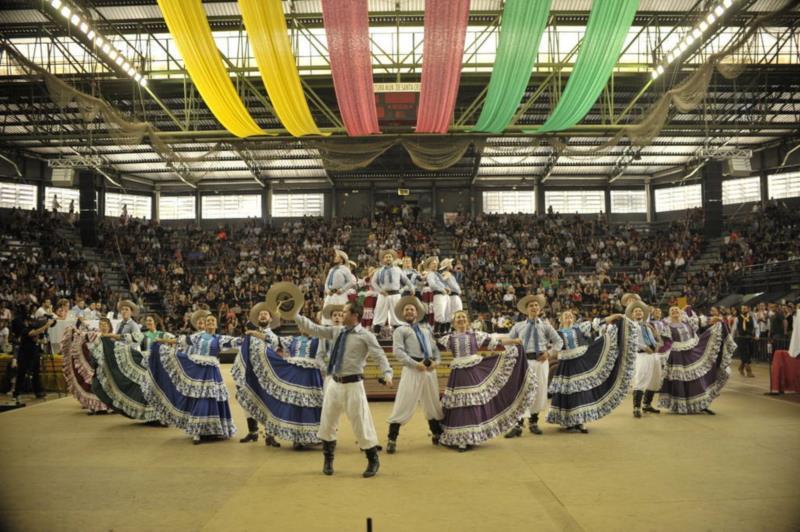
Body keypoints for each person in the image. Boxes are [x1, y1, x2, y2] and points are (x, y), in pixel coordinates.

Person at [295, 301, 394, 478]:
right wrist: (295, 314)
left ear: (355, 315)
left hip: (353, 384)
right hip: (334, 382)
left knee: (360, 422)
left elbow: (380, 356)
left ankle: (373, 459)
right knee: (327, 422)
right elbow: (314, 329)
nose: (341, 314)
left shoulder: (366, 335)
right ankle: (328, 459)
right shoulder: (336, 331)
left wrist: (387, 374)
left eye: (345, 311)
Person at [438, 310, 533, 451]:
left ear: (468, 321)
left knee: (473, 402)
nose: (461, 319)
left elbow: (496, 342)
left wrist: (514, 341)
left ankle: (472, 436)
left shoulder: (475, 335)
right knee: (460, 404)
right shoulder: (447, 339)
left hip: (473, 372)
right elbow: (433, 348)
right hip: (458, 374)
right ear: (453, 322)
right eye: (458, 317)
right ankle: (461, 439)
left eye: (464, 317)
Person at [234, 302, 323, 450]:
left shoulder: (319, 341)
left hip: (303, 376)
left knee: (305, 405)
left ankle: (312, 437)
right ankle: (293, 437)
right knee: (293, 405)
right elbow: (270, 342)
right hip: (287, 375)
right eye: (301, 326)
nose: (303, 328)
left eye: (266, 314)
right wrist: (253, 334)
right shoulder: (291, 340)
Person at [144, 311, 239, 444]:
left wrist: (253, 338)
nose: (210, 323)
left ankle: (215, 430)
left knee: (213, 398)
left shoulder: (220, 338)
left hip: (212, 372)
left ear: (216, 324)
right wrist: (161, 341)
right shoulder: (197, 337)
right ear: (205, 325)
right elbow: (179, 340)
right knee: (200, 398)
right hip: (198, 370)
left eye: (212, 321)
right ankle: (198, 431)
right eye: (208, 322)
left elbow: (237, 342)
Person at [547, 309, 636, 433]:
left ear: (573, 318)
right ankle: (569, 422)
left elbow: (599, 322)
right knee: (567, 392)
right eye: (565, 315)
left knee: (581, 391)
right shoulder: (556, 333)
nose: (568, 317)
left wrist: (614, 316)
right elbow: (552, 347)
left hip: (580, 362)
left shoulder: (580, 328)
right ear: (560, 319)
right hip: (565, 365)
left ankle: (580, 421)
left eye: (570, 315)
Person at [385, 296, 444, 454]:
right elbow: (398, 352)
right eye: (407, 310)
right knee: (404, 400)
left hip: (429, 369)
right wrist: (414, 363)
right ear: (403, 314)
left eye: (412, 309)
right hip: (413, 368)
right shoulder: (400, 330)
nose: (409, 311)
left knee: (432, 401)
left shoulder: (426, 330)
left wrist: (436, 362)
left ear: (417, 313)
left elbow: (436, 350)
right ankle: (392, 437)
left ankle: (437, 433)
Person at [658, 306, 736, 415]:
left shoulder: (688, 322)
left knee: (698, 379)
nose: (675, 311)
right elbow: (663, 340)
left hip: (691, 352)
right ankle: (681, 406)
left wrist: (716, 320)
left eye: (677, 309)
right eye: (672, 310)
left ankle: (702, 404)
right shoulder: (666, 326)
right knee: (681, 381)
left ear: (680, 312)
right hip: (677, 356)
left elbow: (705, 321)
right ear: (669, 314)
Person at [504, 294, 563, 437]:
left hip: (541, 361)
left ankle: (534, 422)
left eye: (536, 305)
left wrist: (549, 353)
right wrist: (515, 353)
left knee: (539, 391)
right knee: (522, 391)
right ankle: (517, 424)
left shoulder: (546, 326)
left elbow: (559, 342)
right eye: (531, 305)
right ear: (526, 310)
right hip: (524, 361)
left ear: (539, 308)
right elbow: (507, 341)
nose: (534, 307)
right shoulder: (519, 326)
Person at [88, 317, 158, 422]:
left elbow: (132, 340)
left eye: (105, 325)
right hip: (123, 361)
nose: (103, 327)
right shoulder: (101, 339)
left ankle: (154, 413)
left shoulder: (157, 334)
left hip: (147, 359)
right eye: (101, 325)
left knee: (141, 384)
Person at [628, 298, 663, 419]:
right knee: (641, 378)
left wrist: (658, 343)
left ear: (643, 314)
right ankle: (636, 407)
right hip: (642, 354)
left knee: (655, 380)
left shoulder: (648, 326)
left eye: (640, 311)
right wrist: (644, 347)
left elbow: (656, 339)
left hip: (654, 354)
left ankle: (647, 404)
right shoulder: (631, 326)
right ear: (632, 315)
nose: (638, 313)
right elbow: (630, 341)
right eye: (636, 311)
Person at [11, 308, 52, 401]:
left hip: (34, 353)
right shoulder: (24, 329)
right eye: (30, 321)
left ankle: (38, 392)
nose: (32, 322)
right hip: (24, 354)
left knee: (36, 373)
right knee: (22, 373)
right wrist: (46, 325)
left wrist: (42, 338)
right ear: (26, 321)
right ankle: (16, 393)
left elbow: (36, 339)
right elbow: (32, 333)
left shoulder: (33, 328)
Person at [370, 250, 414, 334]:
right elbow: (373, 282)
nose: (388, 258)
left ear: (393, 258)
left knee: (396, 314)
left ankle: (398, 333)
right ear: (383, 259)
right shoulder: (379, 271)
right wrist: (380, 290)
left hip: (395, 294)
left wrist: (412, 287)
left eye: (390, 257)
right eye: (386, 257)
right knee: (379, 313)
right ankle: (376, 333)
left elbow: (406, 280)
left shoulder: (397, 269)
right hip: (383, 294)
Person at [322, 249, 354, 325]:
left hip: (340, 294)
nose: (334, 258)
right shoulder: (331, 269)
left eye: (336, 256)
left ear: (342, 259)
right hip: (330, 294)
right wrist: (327, 290)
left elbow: (350, 282)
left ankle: (342, 328)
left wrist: (342, 290)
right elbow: (326, 283)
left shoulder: (345, 269)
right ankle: (327, 327)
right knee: (327, 310)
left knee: (341, 312)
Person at [734, 304, 759, 378]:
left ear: (748, 309)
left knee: (751, 352)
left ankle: (741, 367)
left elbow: (756, 327)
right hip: (741, 338)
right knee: (744, 353)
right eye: (742, 309)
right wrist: (732, 338)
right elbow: (734, 329)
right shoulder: (737, 318)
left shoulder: (752, 318)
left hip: (750, 338)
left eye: (745, 309)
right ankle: (749, 371)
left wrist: (757, 335)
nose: (743, 310)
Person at [440, 258, 463, 325]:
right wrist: (459, 291)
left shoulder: (448, 273)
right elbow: (453, 285)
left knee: (453, 315)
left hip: (452, 296)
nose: (451, 264)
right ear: (447, 266)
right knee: (457, 314)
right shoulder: (447, 273)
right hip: (453, 296)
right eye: (450, 263)